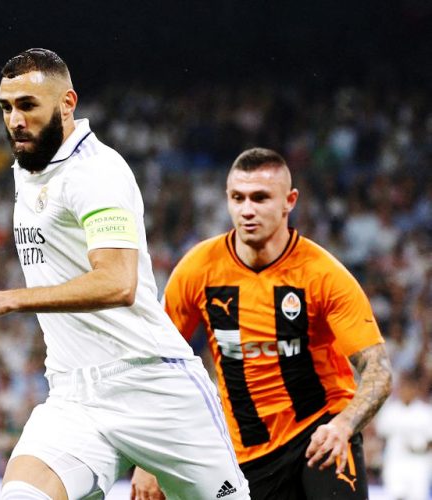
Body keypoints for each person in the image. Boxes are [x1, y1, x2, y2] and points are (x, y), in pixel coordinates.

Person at [0, 48, 249, 500]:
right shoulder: (29, 167)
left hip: (154, 386)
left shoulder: (96, 171)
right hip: (74, 396)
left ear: (67, 103)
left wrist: (7, 299)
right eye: (6, 107)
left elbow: (117, 282)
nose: (14, 120)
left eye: (28, 105)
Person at [132, 147, 393, 499]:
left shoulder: (323, 274)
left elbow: (378, 369)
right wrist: (149, 459)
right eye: (237, 198)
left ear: (289, 201)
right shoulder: (198, 269)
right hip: (246, 452)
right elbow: (156, 364)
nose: (247, 210)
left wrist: (344, 425)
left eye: (260, 198)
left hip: (320, 433)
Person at [375, 371, 432, 500]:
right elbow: (382, 437)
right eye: (403, 387)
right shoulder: (390, 411)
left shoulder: (426, 412)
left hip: (418, 462)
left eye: (409, 388)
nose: (405, 391)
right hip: (395, 461)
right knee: (395, 495)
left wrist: (420, 448)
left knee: (418, 496)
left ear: (415, 389)